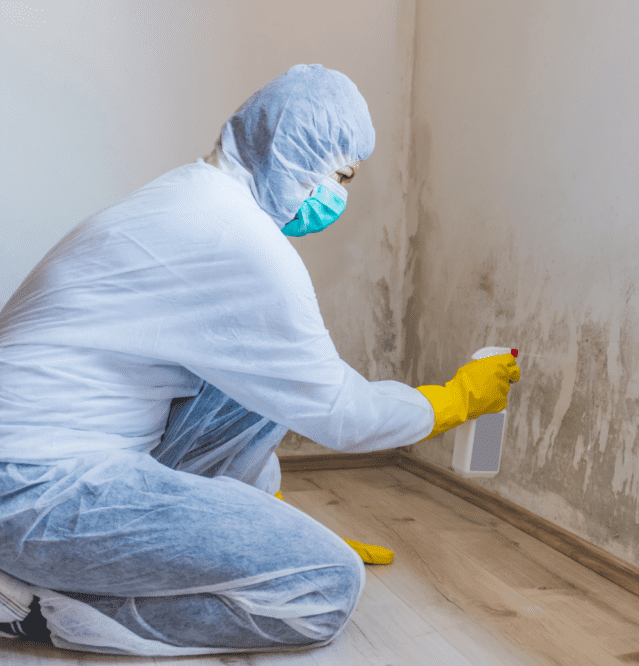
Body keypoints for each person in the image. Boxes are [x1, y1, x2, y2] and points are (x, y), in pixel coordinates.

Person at [0, 64, 519, 656]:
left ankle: (230, 538)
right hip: (35, 490)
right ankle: (32, 605)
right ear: (290, 153)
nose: (339, 196)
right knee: (324, 586)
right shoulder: (238, 238)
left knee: (252, 382)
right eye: (339, 175)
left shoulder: (189, 196)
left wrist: (264, 524)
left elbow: (269, 397)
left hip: (41, 459)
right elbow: (339, 412)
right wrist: (455, 400)